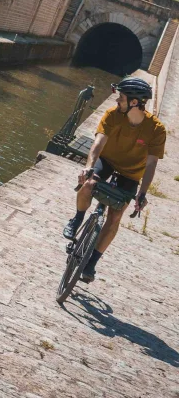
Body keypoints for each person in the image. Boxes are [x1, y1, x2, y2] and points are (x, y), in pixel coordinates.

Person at [63, 77, 166, 282]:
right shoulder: (112, 115)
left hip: (131, 173)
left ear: (134, 102)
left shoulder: (156, 130)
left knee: (116, 215)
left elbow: (151, 164)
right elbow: (98, 143)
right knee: (89, 183)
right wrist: (89, 166)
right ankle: (77, 218)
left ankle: (91, 264)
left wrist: (142, 193)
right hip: (107, 161)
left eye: (122, 97)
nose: (118, 100)